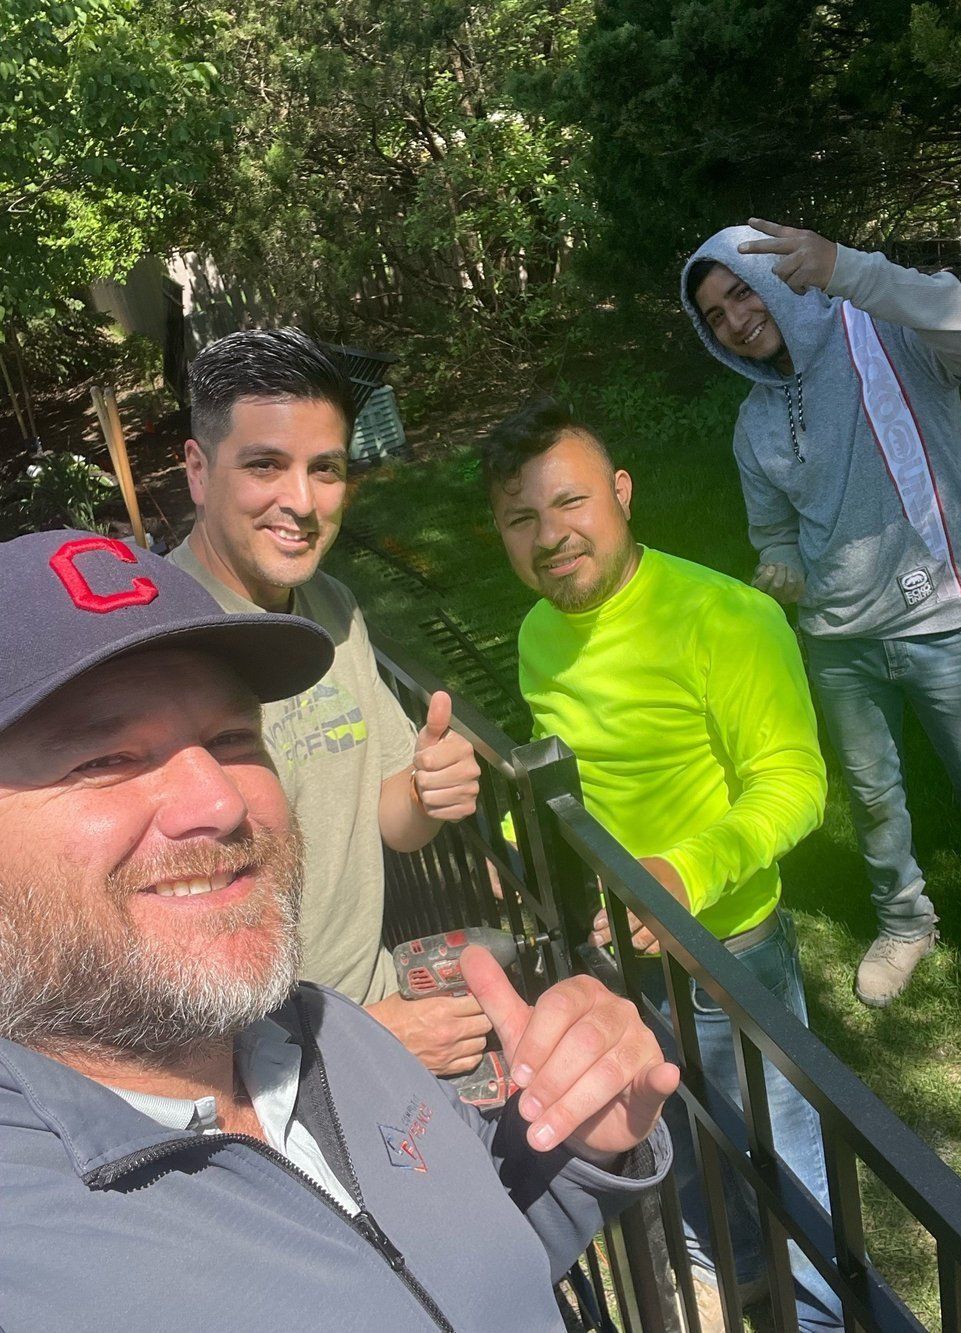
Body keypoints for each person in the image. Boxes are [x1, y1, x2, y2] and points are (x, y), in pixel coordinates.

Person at [0, 527, 676, 1330]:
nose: (218, 802)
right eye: (104, 759)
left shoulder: (323, 1029)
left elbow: (469, 1261)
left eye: (232, 738)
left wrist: (577, 1144)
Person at [481, 401, 841, 1332]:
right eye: (522, 519)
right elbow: (572, 768)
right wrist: (517, 849)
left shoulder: (728, 616)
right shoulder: (535, 633)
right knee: (674, 1138)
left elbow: (795, 781)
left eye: (570, 503)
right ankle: (730, 1280)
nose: (551, 536)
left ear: (622, 494)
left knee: (786, 1158)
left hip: (727, 951)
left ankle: (820, 1312)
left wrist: (682, 875)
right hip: (611, 952)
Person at [681, 219, 961, 1007]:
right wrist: (782, 563)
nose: (735, 319)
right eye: (715, 316)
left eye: (739, 291)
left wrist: (851, 269)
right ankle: (904, 922)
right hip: (837, 641)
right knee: (872, 795)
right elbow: (776, 527)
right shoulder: (753, 421)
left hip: (943, 617)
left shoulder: (887, 333)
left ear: (780, 275)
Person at [168, 327, 487, 1075]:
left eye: (326, 469)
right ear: (198, 470)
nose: (302, 502)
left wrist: (427, 790)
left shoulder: (331, 603)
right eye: (265, 466)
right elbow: (160, 960)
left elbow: (391, 821)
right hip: (260, 1070)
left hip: (372, 1012)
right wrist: (353, 1042)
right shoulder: (158, 648)